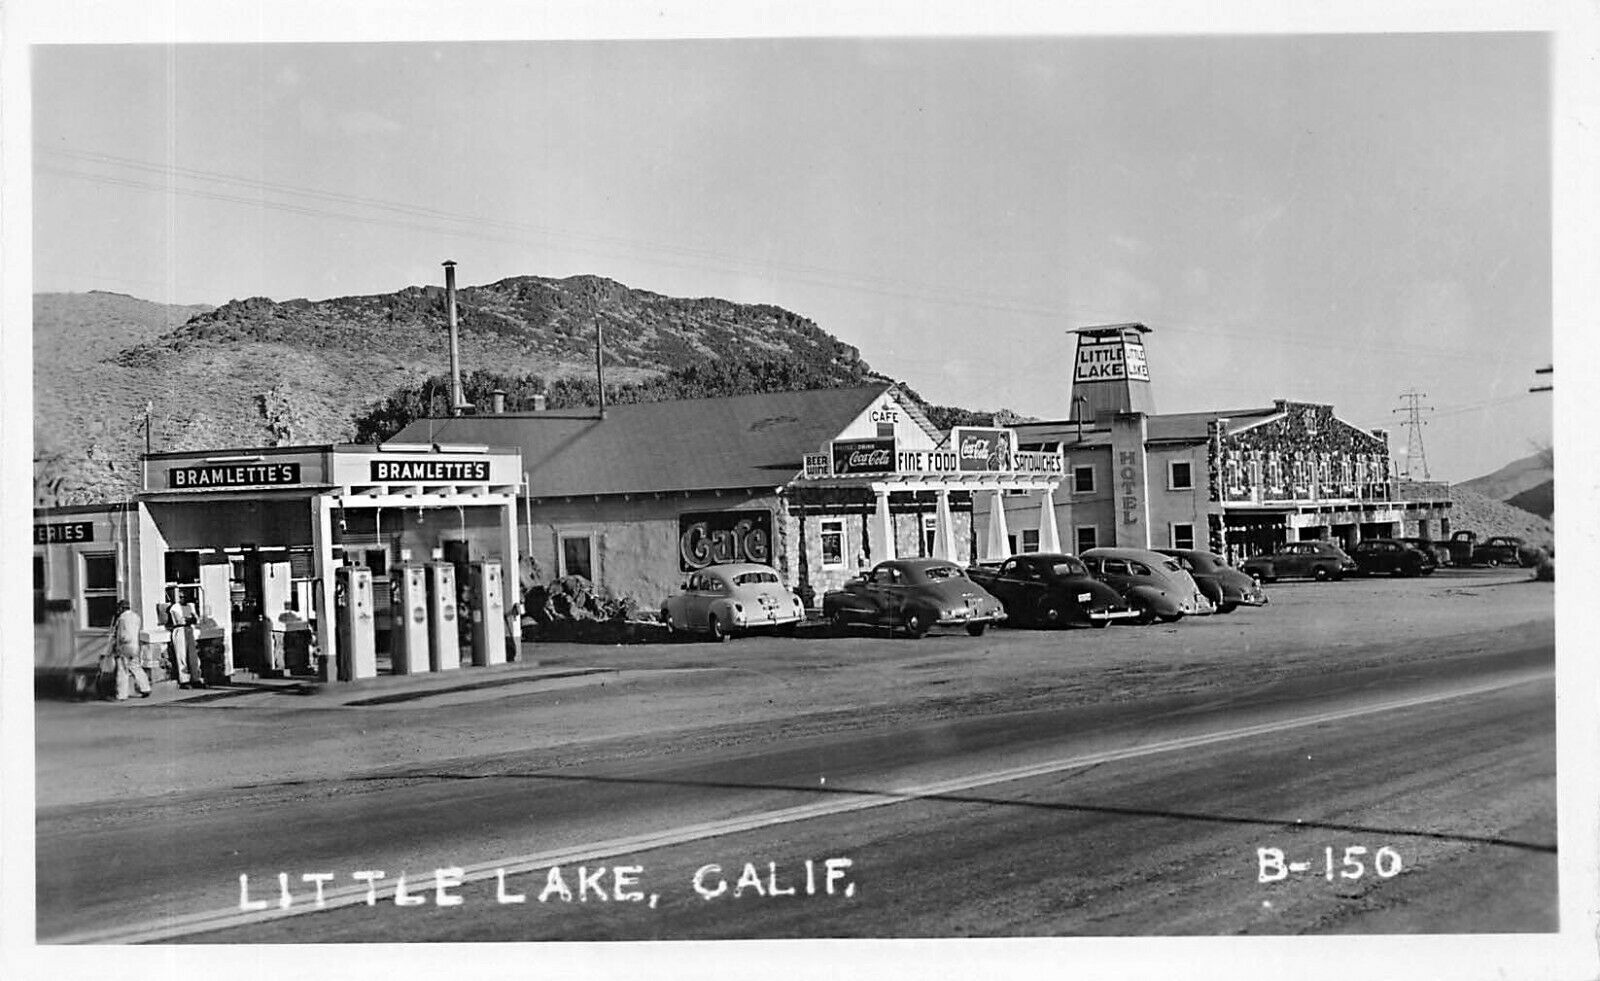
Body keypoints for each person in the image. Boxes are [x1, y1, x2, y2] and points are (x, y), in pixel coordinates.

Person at [105, 600, 151, 700]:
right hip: (135, 645)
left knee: (122, 670)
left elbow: (121, 634)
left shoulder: (122, 618)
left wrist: (117, 646)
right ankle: (145, 687)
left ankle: (122, 694)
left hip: (124, 646)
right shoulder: (136, 617)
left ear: (121, 608)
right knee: (135, 667)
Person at [165, 587, 204, 688]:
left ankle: (196, 678)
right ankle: (184, 680)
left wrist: (191, 619)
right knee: (181, 655)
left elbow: (196, 619)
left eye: (185, 596)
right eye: (181, 597)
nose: (183, 599)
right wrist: (190, 619)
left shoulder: (190, 606)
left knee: (193, 656)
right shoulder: (175, 607)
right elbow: (180, 621)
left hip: (189, 630)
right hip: (180, 630)